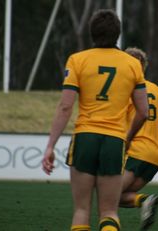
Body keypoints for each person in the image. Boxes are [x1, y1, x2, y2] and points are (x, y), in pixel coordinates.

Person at [42, 9, 149, 231]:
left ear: (92, 33)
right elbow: (143, 111)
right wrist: (127, 137)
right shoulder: (132, 64)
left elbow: (65, 107)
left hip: (84, 138)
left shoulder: (77, 60)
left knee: (81, 211)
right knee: (109, 212)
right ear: (118, 34)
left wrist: (50, 145)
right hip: (114, 141)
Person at [119, 47, 158, 230]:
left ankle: (143, 201)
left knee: (108, 195)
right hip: (155, 157)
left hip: (134, 151)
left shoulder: (126, 89)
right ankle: (144, 201)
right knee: (119, 196)